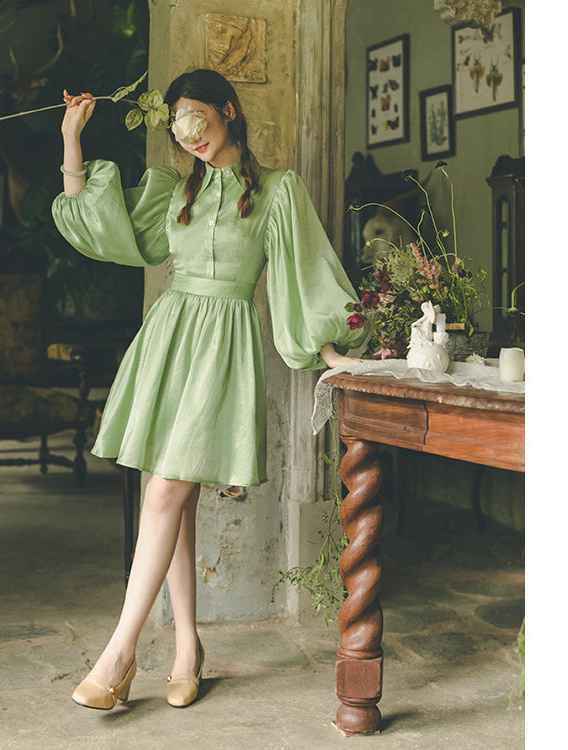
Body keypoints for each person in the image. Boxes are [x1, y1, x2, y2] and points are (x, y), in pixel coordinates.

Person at [52, 68, 369, 711]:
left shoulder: (278, 191)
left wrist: (332, 351)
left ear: (228, 110)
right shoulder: (174, 191)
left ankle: (119, 654)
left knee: (164, 493)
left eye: (196, 117)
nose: (188, 134)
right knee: (174, 499)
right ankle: (187, 650)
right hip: (169, 341)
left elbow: (303, 274)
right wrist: (71, 138)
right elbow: (101, 228)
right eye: (177, 125)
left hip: (224, 350)